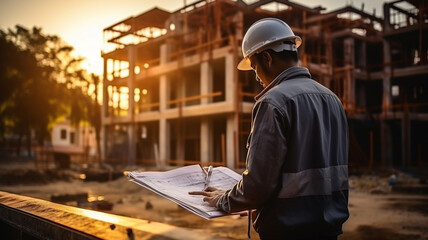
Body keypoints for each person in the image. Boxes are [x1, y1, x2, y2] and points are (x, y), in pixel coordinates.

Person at [190, 18, 349, 240]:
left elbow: (258, 185)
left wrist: (223, 199)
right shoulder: (332, 99)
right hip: (329, 231)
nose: (256, 76)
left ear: (267, 57)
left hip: (288, 233)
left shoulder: (273, 102)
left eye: (254, 67)